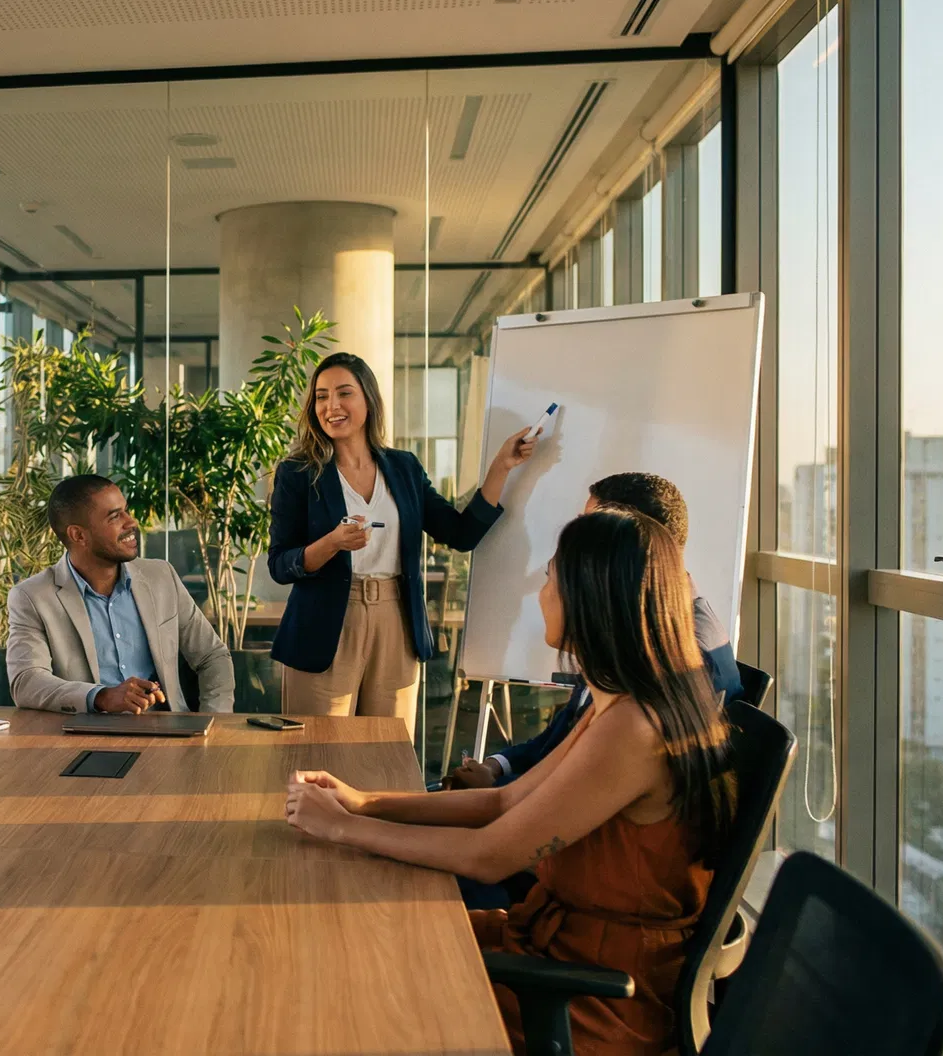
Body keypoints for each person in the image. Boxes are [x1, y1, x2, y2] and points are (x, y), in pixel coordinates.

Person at [285, 508, 737, 1055]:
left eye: (551, 577)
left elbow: (488, 857)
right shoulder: (622, 705)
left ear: (590, 597)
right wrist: (364, 803)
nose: (541, 592)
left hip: (591, 1003)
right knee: (347, 943)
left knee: (354, 986)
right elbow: (504, 799)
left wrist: (341, 829)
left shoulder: (636, 730)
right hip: (550, 950)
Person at [267, 351, 536, 727]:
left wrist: (500, 467)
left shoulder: (403, 467)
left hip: (396, 620)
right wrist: (332, 543)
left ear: (368, 400)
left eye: (344, 393)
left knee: (387, 757)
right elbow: (280, 565)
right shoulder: (298, 472)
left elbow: (459, 534)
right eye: (322, 396)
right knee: (317, 752)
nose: (332, 406)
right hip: (325, 625)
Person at [448, 472, 742, 791]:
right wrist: (496, 767)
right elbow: (564, 736)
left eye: (590, 526)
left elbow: (591, 787)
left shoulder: (683, 656)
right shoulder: (632, 624)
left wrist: (496, 791)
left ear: (627, 541)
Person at [7, 474, 235, 714]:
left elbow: (212, 656)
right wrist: (101, 697)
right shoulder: (33, 597)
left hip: (169, 734)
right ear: (78, 535)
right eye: (115, 516)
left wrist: (215, 721)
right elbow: (26, 681)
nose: (131, 522)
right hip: (85, 737)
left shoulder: (161, 577)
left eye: (125, 511)